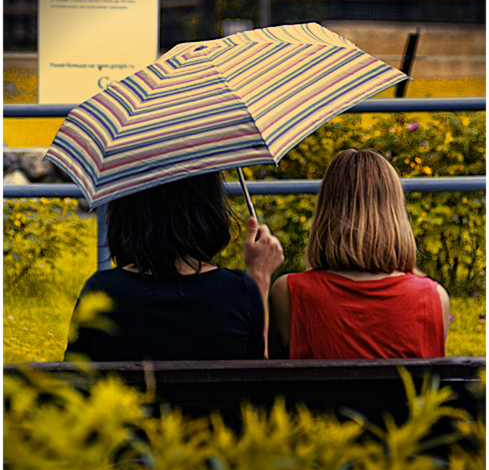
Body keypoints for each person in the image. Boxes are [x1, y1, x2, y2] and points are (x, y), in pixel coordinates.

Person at [65, 172, 284, 362]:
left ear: (125, 206)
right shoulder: (239, 293)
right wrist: (259, 277)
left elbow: (73, 383)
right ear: (209, 204)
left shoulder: (101, 293)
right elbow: (258, 384)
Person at [268, 148, 450, 360]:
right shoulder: (433, 298)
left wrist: (260, 278)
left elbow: (268, 378)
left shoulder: (288, 293)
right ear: (395, 214)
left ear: (326, 211)